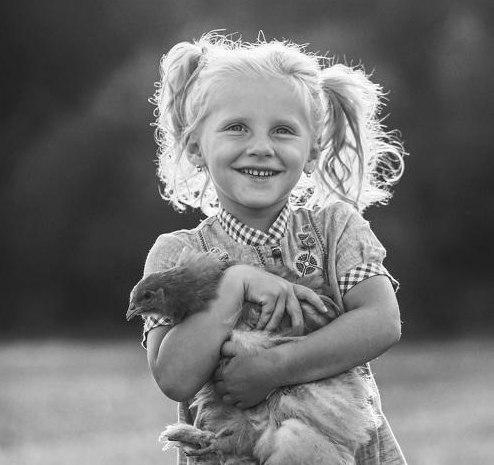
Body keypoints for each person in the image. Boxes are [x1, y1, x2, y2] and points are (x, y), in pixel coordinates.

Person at [140, 32, 407, 464]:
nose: (261, 147)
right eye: (236, 127)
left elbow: (382, 322)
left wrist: (276, 367)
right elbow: (174, 377)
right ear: (194, 146)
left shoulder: (335, 229)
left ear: (313, 148)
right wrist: (234, 285)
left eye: (283, 130)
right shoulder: (177, 254)